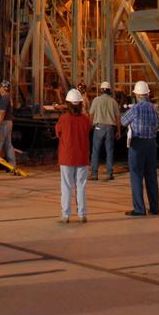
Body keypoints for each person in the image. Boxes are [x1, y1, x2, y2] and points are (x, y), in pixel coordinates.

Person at [121, 79, 159, 216]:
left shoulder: (135, 109)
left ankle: (139, 209)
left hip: (137, 144)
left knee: (136, 176)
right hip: (151, 144)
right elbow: (157, 125)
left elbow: (123, 121)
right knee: (151, 176)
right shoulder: (154, 109)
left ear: (137, 95)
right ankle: (154, 208)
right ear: (147, 94)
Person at [55, 88, 90, 224]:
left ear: (68, 104)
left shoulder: (63, 119)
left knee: (66, 186)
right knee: (81, 186)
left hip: (67, 157)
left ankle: (65, 215)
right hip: (82, 157)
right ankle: (82, 215)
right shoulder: (85, 119)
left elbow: (58, 133)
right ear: (81, 104)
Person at [89, 80, 120, 181]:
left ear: (101, 90)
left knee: (96, 151)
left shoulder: (96, 100)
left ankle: (94, 174)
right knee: (109, 151)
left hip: (98, 127)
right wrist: (118, 130)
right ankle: (109, 174)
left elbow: (91, 114)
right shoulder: (113, 102)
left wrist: (90, 126)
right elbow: (118, 117)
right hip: (110, 128)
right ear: (109, 90)